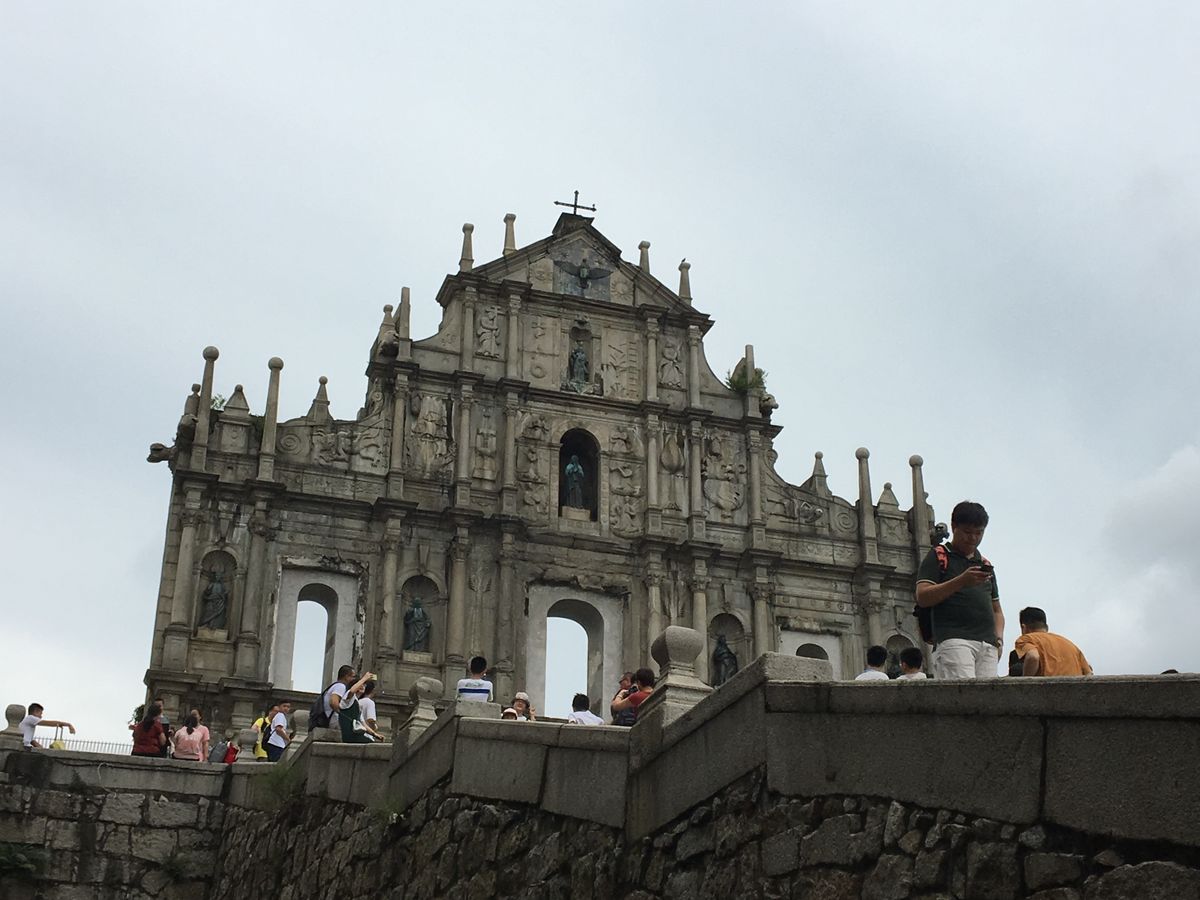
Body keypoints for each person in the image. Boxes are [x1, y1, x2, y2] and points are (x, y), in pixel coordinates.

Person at [915, 501, 1005, 679]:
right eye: (967, 532)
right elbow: (922, 596)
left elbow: (997, 609)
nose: (973, 538)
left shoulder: (984, 564)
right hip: (954, 639)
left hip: (988, 644)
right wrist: (962, 580)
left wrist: (999, 639)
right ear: (954, 527)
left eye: (979, 533)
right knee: (963, 693)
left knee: (988, 695)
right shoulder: (939, 555)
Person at [1014, 607, 1093, 677]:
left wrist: (1024, 684)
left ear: (1023, 627)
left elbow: (1033, 657)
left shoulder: (1027, 639)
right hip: (1074, 689)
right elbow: (1089, 672)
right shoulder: (1070, 645)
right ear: (1046, 627)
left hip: (1046, 688)